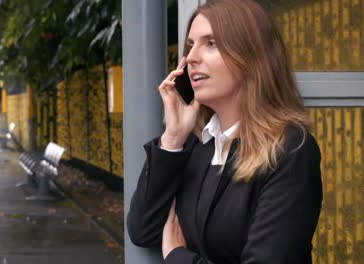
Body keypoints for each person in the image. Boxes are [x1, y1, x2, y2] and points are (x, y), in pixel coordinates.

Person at [127, 0, 322, 263]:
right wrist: (172, 139)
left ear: (252, 56)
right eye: (191, 44)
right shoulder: (198, 145)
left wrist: (177, 257)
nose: (192, 57)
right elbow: (143, 230)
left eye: (211, 43)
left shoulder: (290, 150)